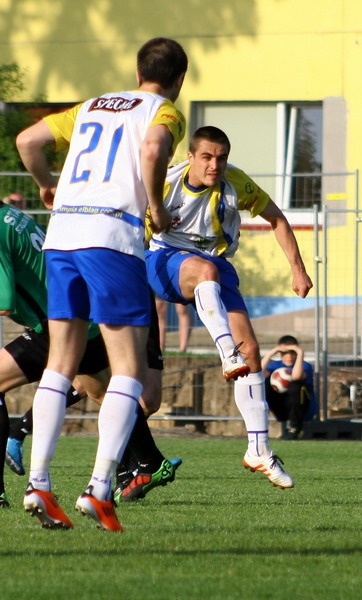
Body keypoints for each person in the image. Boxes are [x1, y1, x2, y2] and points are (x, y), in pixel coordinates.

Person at [14, 37, 188, 531]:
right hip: (111, 237)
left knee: (59, 365)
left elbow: (28, 140)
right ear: (179, 79)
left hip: (62, 236)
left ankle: (39, 484)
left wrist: (46, 183)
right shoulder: (164, 110)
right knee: (128, 369)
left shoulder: (91, 106)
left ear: (137, 72)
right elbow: (153, 146)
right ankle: (99, 488)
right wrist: (156, 208)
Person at [145, 125, 313, 489]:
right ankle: (225, 352)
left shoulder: (236, 182)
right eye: (206, 157)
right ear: (190, 156)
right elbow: (137, 231)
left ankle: (259, 450)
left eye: (220, 158)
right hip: (164, 259)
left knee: (251, 350)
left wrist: (297, 269)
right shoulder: (166, 182)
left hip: (216, 266)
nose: (214, 165)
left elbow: (277, 218)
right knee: (205, 275)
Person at [261, 335, 317, 440]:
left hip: (302, 409)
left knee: (296, 384)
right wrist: (271, 352)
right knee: (264, 383)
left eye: (292, 352)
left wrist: (300, 353)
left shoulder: (305, 366)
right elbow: (257, 374)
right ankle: (261, 425)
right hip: (281, 407)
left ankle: (295, 428)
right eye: (284, 353)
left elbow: (296, 376)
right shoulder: (275, 365)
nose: (289, 356)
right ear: (279, 354)